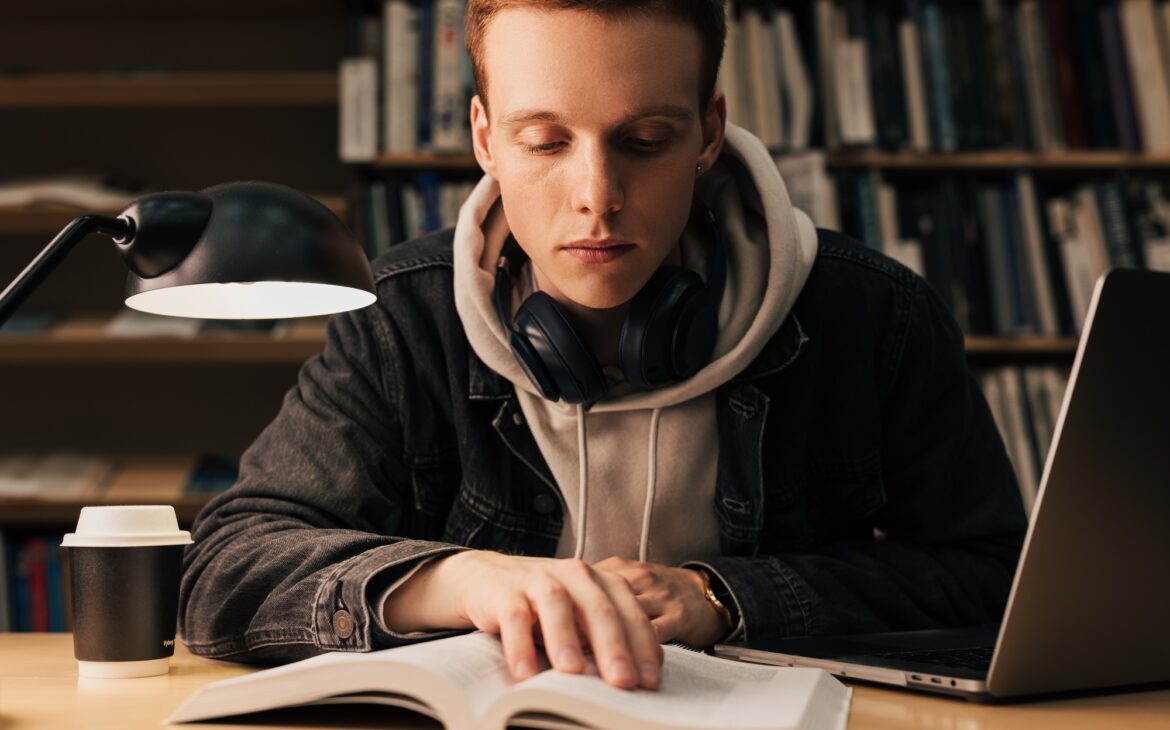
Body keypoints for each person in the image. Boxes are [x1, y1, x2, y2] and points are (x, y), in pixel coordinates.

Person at [179, 0, 1027, 693]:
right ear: (485, 139)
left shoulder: (875, 315)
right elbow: (226, 568)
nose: (597, 196)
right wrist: (464, 581)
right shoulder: (404, 317)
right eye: (545, 142)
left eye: (645, 141)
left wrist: (724, 597)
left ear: (708, 133)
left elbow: (996, 575)